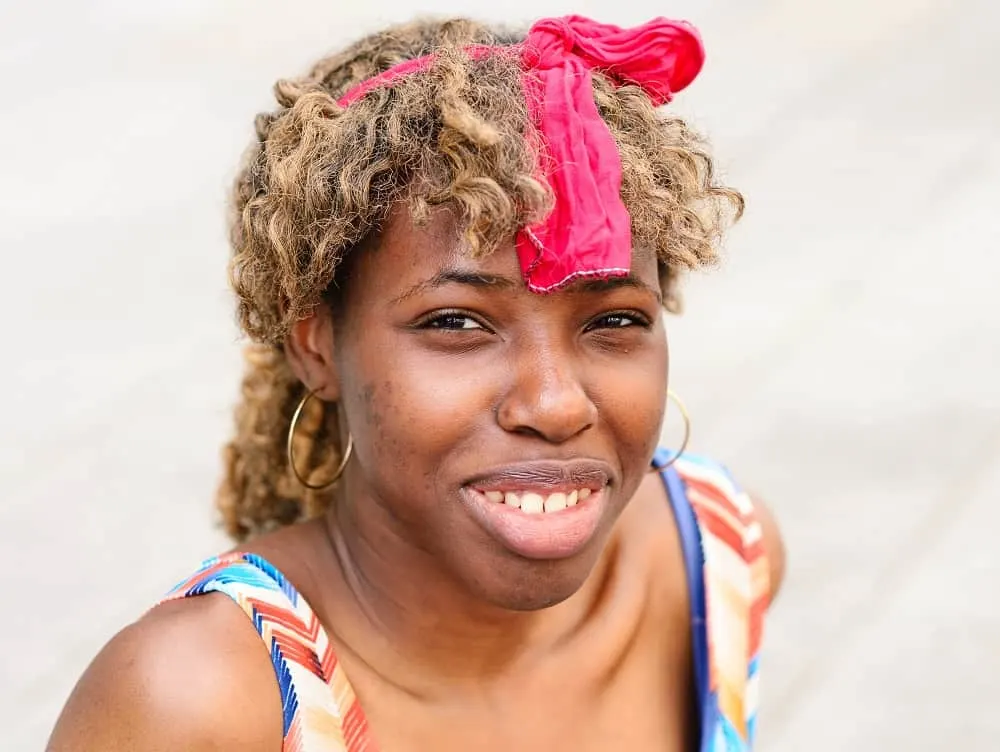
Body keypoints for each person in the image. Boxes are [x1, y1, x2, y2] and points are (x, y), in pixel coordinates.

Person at [47, 14, 786, 752]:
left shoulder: (720, 559)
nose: (557, 404)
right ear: (316, 346)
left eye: (614, 321)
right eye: (458, 324)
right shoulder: (195, 703)